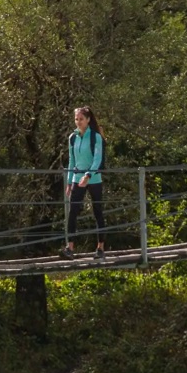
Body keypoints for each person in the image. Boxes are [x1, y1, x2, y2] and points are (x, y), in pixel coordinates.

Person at [61, 106, 106, 259]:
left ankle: (100, 247)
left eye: (81, 119)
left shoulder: (96, 137)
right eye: (76, 119)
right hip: (76, 177)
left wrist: (88, 175)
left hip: (93, 178)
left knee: (97, 211)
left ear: (88, 120)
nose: (78, 122)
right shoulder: (72, 137)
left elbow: (97, 159)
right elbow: (71, 160)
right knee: (73, 212)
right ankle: (70, 247)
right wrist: (69, 182)